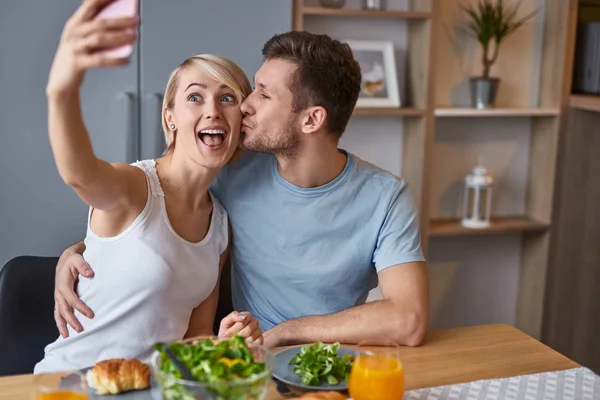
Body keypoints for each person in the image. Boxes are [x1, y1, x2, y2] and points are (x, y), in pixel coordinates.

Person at [54, 30, 430, 349]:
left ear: (312, 119)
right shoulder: (233, 171)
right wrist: (82, 248)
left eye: (263, 95)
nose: (245, 106)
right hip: (251, 368)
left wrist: (285, 333)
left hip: (326, 367)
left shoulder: (385, 197)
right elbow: (146, 208)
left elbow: (408, 319)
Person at [34, 0, 262, 374]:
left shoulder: (219, 225)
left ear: (241, 123)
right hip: (71, 383)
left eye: (227, 98)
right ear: (170, 118)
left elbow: (194, 335)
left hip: (150, 388)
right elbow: (80, 174)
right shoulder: (135, 187)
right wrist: (62, 88)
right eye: (194, 97)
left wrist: (225, 343)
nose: (213, 111)